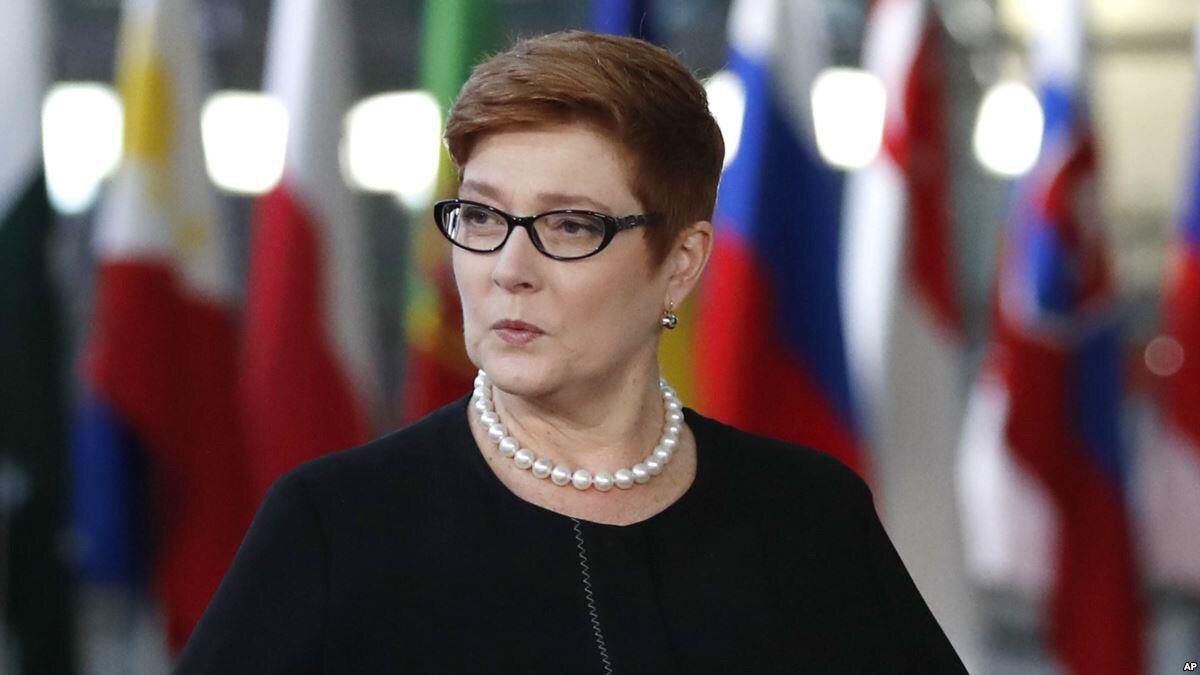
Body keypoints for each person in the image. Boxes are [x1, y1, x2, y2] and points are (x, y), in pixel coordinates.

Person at [177, 30, 966, 674]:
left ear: (680, 263)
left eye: (568, 225)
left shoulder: (811, 517)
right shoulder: (334, 526)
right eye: (481, 217)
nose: (508, 269)